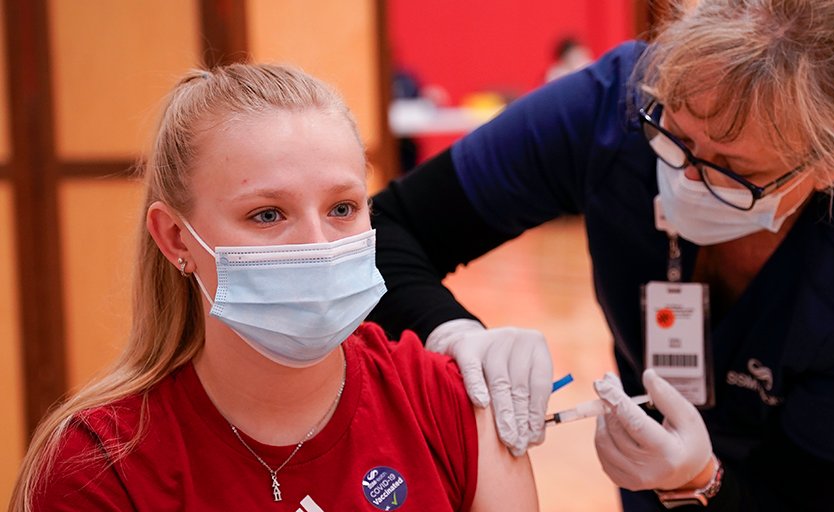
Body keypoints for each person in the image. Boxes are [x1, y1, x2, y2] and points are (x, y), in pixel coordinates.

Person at [367, 0, 834, 510]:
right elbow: (390, 229)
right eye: (674, 133)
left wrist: (699, 484)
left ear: (830, 164)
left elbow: (799, 494)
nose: (686, 178)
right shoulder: (614, 103)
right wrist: (448, 332)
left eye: (732, 168)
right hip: (667, 432)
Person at [9, 63, 537, 512]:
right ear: (176, 239)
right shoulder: (97, 467)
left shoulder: (452, 402)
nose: (317, 244)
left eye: (343, 208)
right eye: (267, 214)